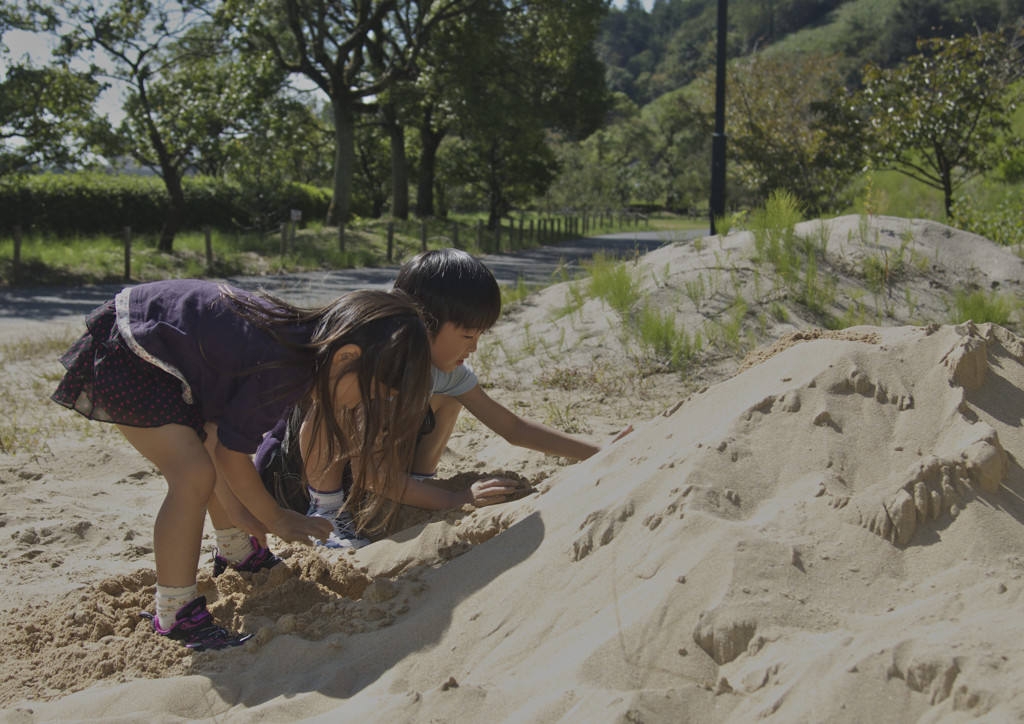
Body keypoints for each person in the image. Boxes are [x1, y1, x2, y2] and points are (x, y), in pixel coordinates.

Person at [51, 280, 432, 650]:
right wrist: (276, 518)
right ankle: (175, 613)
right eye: (372, 393)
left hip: (156, 340)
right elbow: (231, 458)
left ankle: (235, 548)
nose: (358, 407)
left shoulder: (299, 345)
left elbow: (220, 439)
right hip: (135, 351)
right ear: (347, 356)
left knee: (208, 448)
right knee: (193, 475)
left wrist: (241, 514)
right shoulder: (284, 369)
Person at [258, 248, 627, 548]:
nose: (475, 347)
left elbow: (513, 428)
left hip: (373, 480)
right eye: (468, 335)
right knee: (333, 406)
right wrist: (455, 499)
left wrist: (601, 450)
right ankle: (328, 513)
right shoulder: (373, 367)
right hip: (293, 482)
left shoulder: (446, 373)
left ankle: (418, 482)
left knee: (451, 398)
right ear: (424, 323)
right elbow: (373, 475)